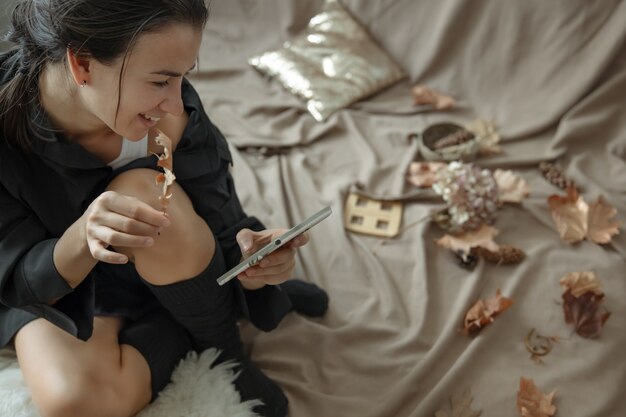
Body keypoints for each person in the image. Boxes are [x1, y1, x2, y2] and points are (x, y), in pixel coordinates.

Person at [0, 1, 329, 416]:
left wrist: (253, 264)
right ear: (82, 64)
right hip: (66, 281)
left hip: (170, 250)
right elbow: (17, 278)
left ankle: (222, 347)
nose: (176, 103)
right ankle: (185, 324)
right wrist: (83, 235)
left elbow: (217, 209)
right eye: (160, 82)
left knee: (143, 197)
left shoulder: (172, 115)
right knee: (73, 404)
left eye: (182, 78)